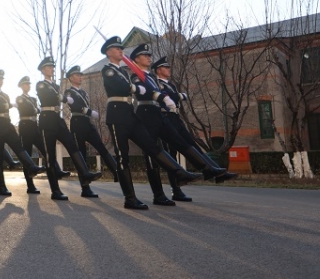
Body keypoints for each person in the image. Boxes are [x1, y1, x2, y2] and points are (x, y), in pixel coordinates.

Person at [100, 36, 202, 210]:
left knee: (151, 145)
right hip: (116, 115)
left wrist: (141, 89)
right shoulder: (107, 70)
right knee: (123, 158)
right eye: (117, 48)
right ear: (109, 52)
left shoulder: (124, 72)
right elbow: (120, 87)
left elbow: (136, 87)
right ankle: (130, 198)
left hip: (130, 113)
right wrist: (135, 88)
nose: (120, 50)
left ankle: (179, 173)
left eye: (120, 48)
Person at [129, 44, 225, 206]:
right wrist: (163, 97)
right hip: (145, 114)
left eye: (148, 55)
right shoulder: (136, 76)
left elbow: (162, 92)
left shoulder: (151, 76)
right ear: (136, 59)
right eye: (144, 55)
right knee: (152, 157)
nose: (148, 57)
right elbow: (143, 91)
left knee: (179, 141)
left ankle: (207, 169)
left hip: (158, 113)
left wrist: (167, 98)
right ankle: (158, 195)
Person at [152, 56, 238, 201]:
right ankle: (176, 190)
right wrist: (180, 95)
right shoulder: (157, 84)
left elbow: (173, 96)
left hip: (175, 118)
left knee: (192, 146)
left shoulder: (170, 84)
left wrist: (177, 96)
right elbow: (168, 97)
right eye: (166, 68)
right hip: (166, 119)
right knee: (172, 155)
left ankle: (215, 172)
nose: (169, 70)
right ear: (159, 70)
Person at [36, 57, 102, 201]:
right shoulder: (41, 84)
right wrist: (63, 98)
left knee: (72, 145)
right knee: (50, 156)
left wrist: (61, 97)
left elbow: (55, 96)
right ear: (42, 70)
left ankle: (85, 174)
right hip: (46, 120)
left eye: (53, 67)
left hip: (57, 120)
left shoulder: (54, 85)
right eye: (49, 67)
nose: (52, 69)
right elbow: (47, 97)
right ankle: (55, 190)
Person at [0, 70, 46, 196]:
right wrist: (8, 105)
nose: (0, 81)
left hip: (7, 124)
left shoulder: (6, 95)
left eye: (2, 79)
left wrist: (7, 105)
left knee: (18, 147)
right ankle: (2, 187)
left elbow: (5, 106)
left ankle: (32, 167)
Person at [64, 65, 118, 198]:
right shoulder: (69, 92)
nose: (80, 77)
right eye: (77, 75)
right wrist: (88, 111)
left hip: (87, 123)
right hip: (77, 123)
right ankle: (85, 188)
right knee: (81, 154)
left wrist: (88, 113)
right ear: (71, 78)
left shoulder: (84, 93)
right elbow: (74, 105)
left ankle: (117, 172)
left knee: (101, 147)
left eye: (80, 75)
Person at [16, 76, 70, 194]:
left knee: (46, 151)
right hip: (25, 126)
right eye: (25, 84)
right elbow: (26, 109)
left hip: (35, 126)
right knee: (27, 155)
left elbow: (38, 108)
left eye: (28, 84)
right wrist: (36, 110)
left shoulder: (34, 99)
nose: (28, 86)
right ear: (21, 86)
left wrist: (37, 110)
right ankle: (30, 185)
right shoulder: (19, 98)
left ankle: (57, 170)